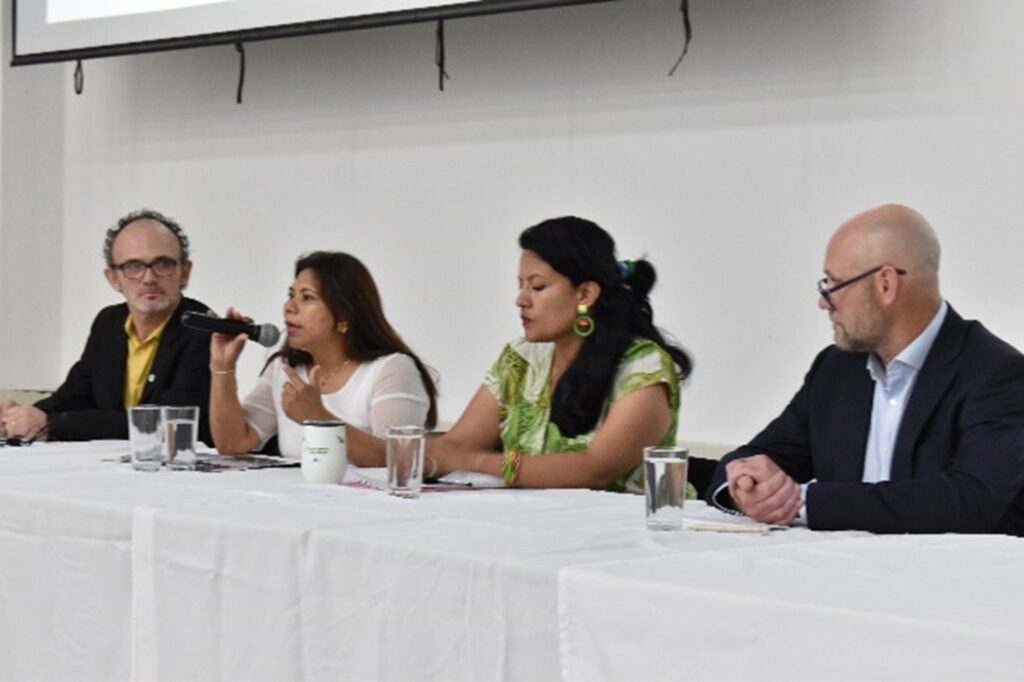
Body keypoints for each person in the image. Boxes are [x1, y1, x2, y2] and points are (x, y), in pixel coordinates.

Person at [707, 204, 1024, 534]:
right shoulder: (836, 369)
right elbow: (759, 455)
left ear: (886, 284)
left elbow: (971, 500)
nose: (824, 302)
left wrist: (802, 503)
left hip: (954, 579)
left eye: (834, 284)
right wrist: (746, 485)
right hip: (840, 573)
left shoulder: (997, 373)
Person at [425, 216, 692, 491]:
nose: (521, 300)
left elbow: (594, 470)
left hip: (626, 530)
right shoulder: (521, 359)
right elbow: (455, 446)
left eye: (537, 286)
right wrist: (388, 452)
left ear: (585, 294)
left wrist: (479, 463)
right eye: (521, 285)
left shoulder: (643, 367)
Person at [0, 209, 212, 442]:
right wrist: (20, 416)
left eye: (162, 264)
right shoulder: (108, 322)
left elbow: (166, 421)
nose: (149, 278)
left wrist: (51, 425)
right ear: (113, 278)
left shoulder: (203, 328)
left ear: (185, 272)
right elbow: (72, 396)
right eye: (133, 266)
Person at [209, 251, 437, 462]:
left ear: (344, 313)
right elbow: (232, 444)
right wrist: (222, 366)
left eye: (307, 297)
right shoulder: (284, 368)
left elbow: (397, 460)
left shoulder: (392, 369)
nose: (289, 306)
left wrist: (319, 418)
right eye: (291, 295)